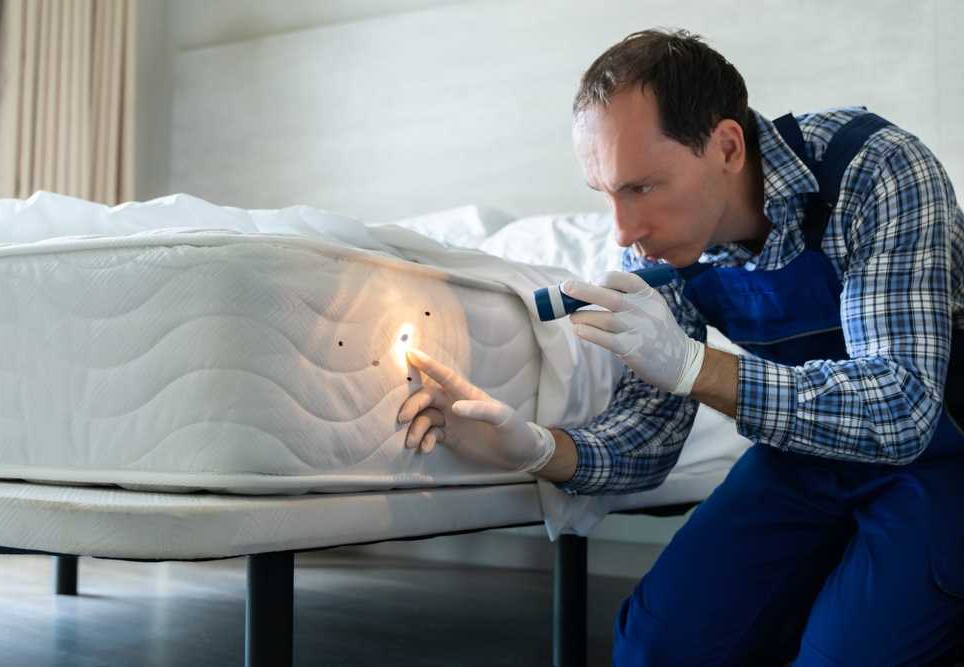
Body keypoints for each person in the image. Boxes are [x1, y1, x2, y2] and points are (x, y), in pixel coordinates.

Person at [397, 28, 964, 665]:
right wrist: (536, 447)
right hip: (803, 456)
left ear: (725, 146)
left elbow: (903, 409)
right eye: (606, 193)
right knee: (655, 645)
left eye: (642, 187)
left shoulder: (875, 169)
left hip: (939, 457)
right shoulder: (651, 248)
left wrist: (695, 366)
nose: (624, 230)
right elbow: (653, 436)